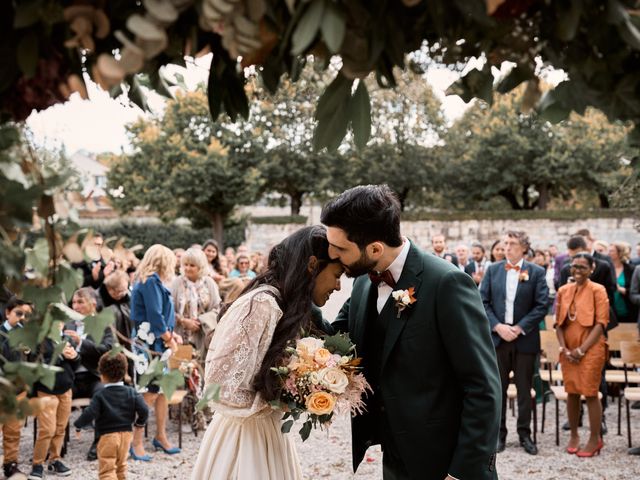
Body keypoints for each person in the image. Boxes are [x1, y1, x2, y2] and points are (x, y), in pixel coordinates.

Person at [323, 185, 501, 480]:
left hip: (445, 462)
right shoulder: (363, 284)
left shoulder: (448, 283)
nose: (332, 254)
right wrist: (298, 293)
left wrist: (462, 470)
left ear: (375, 248)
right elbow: (334, 341)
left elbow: (483, 385)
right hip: (393, 457)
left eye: (340, 249)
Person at [191, 225, 344, 480]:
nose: (338, 286)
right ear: (312, 264)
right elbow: (218, 386)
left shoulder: (286, 308)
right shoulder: (262, 304)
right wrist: (286, 398)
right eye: (337, 274)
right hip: (243, 440)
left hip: (270, 432)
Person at [480, 230, 548, 456]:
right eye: (505, 243)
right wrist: (498, 326)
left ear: (524, 248)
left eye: (512, 243)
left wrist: (519, 328)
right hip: (498, 338)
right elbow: (482, 301)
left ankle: (524, 434)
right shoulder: (493, 270)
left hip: (525, 339)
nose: (506, 247)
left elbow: (541, 305)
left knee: (524, 389)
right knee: (496, 389)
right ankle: (498, 435)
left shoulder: (537, 272)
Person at [130, 244, 182, 460]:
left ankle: (160, 436)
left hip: (159, 344)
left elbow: (164, 316)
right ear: (163, 261)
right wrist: (170, 340)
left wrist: (173, 334)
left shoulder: (154, 282)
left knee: (162, 393)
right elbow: (154, 315)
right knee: (149, 393)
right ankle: (135, 442)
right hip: (149, 346)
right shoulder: (149, 281)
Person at [555, 253, 608, 457]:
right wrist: (564, 348)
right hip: (568, 349)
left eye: (582, 267)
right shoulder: (563, 290)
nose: (577, 270)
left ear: (591, 269)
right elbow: (558, 323)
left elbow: (601, 323)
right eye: (574, 266)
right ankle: (574, 435)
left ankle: (595, 439)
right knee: (572, 391)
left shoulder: (598, 289)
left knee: (590, 391)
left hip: (591, 348)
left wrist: (581, 350)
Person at [75, 352, 149, 480]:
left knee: (107, 471)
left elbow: (90, 412)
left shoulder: (100, 395)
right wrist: (139, 423)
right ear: (124, 373)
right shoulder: (132, 392)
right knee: (121, 467)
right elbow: (144, 409)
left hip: (107, 437)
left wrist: (78, 425)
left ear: (102, 376)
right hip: (126, 436)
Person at [64, 287, 115, 461]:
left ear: (93, 304)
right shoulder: (67, 325)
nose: (76, 306)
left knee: (103, 394)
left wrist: (82, 343)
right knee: (58, 391)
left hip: (94, 377)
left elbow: (108, 351)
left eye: (80, 302)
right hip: (72, 377)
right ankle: (57, 445)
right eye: (74, 303)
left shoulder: (104, 326)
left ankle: (98, 443)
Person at [29, 323, 80, 479]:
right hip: (46, 390)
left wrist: (74, 356)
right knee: (47, 429)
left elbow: (75, 364)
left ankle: (55, 459)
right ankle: (37, 464)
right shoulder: (39, 341)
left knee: (60, 428)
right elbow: (35, 364)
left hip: (65, 389)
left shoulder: (67, 339)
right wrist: (58, 355)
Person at [1, 297, 33, 478]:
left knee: (13, 430)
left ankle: (10, 464)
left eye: (25, 315)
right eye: (18, 313)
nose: (22, 318)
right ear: (7, 313)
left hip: (18, 390)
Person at [170, 247, 221, 359]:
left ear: (200, 267)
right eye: (185, 264)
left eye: (192, 265)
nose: (187, 268)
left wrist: (200, 321)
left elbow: (218, 308)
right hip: (181, 336)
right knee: (182, 371)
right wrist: (183, 321)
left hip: (203, 337)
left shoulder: (209, 283)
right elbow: (169, 309)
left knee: (202, 371)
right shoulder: (176, 283)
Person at [609, 242, 638, 324]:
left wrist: (622, 290)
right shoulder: (606, 268)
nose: (609, 253)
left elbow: (636, 290)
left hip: (628, 310)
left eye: (612, 251)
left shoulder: (631, 269)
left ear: (619, 253)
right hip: (611, 311)